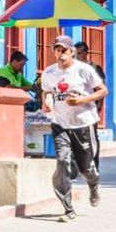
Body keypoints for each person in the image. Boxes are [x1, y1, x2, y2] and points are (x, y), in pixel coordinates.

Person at [41, 36, 105, 219]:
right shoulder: (49, 72)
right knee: (62, 161)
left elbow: (103, 90)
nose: (60, 54)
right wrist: (46, 102)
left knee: (86, 168)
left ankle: (94, 184)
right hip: (60, 123)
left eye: (64, 51)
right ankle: (68, 208)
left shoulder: (84, 70)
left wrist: (82, 100)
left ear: (72, 52)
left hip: (84, 123)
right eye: (57, 50)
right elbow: (47, 91)